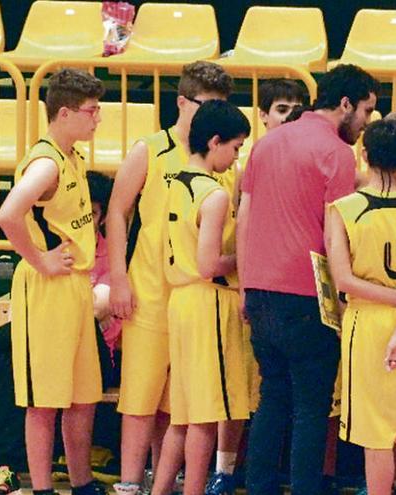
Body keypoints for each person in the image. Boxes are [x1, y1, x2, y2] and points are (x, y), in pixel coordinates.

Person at [236, 63, 379, 495]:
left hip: (260, 289)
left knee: (271, 399)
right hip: (307, 295)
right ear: (345, 104)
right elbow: (338, 232)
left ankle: (258, 488)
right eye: (367, 111)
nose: (368, 122)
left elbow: (244, 215)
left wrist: (246, 286)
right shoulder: (335, 152)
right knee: (311, 408)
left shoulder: (267, 142)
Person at [0, 172, 117, 495]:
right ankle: (7, 469)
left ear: (102, 216)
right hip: (48, 342)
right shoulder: (49, 252)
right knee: (20, 354)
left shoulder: (108, 253)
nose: (83, 221)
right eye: (79, 213)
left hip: (96, 349)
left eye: (91, 213)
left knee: (31, 340)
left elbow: (97, 308)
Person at [106, 61, 233, 495]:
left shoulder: (221, 157)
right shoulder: (151, 148)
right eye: (208, 104)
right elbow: (117, 213)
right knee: (139, 400)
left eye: (223, 105)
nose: (216, 113)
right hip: (148, 290)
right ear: (182, 102)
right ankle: (127, 484)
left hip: (194, 294)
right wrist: (119, 278)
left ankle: (166, 482)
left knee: (176, 405)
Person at [0, 68, 106, 495]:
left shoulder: (73, 155)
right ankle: (42, 488)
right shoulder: (46, 162)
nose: (97, 119)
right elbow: (8, 215)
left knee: (82, 397)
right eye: (92, 111)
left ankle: (81, 483)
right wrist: (39, 259)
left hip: (75, 284)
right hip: (47, 287)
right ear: (64, 112)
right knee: (44, 401)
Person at [206, 78, 307, 495]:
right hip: (242, 288)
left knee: (274, 392)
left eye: (296, 108)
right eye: (281, 108)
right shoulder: (243, 163)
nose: (289, 116)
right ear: (262, 115)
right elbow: (241, 229)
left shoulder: (304, 156)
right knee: (234, 391)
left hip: (278, 288)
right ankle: (225, 470)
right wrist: (245, 277)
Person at [328, 120, 396, 495]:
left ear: (364, 154)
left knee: (376, 436)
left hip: (368, 322)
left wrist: (394, 301)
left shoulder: (343, 209)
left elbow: (342, 280)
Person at [150, 100, 250, 495]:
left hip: (180, 300)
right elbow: (210, 263)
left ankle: (159, 490)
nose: (236, 156)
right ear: (214, 141)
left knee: (182, 415)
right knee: (206, 418)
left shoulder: (173, 180)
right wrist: (246, 255)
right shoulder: (214, 194)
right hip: (207, 301)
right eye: (235, 147)